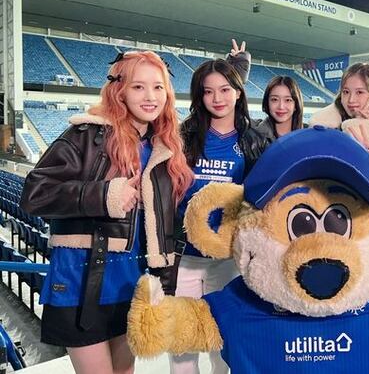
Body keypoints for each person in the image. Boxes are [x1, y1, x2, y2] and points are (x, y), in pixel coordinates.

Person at [20, 51, 193, 374]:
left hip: (131, 287)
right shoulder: (87, 135)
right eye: (138, 86)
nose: (150, 96)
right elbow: (34, 194)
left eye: (158, 87)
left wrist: (164, 286)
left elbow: (163, 228)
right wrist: (104, 195)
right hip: (81, 285)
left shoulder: (163, 148)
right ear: (119, 90)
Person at [171, 50, 269, 374]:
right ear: (199, 96)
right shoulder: (183, 136)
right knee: (183, 345)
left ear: (238, 92)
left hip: (228, 258)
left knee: (224, 343)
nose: (217, 98)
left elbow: (260, 199)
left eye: (225, 89)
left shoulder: (254, 139)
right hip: (185, 257)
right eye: (208, 91)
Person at [309, 62, 369, 147]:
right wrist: (358, 125)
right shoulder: (322, 124)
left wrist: (363, 124)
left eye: (359, 92)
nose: (351, 100)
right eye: (346, 92)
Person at [256, 75, 305, 142]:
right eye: (275, 99)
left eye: (288, 100)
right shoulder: (255, 138)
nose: (281, 106)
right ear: (267, 102)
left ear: (296, 104)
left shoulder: (309, 134)